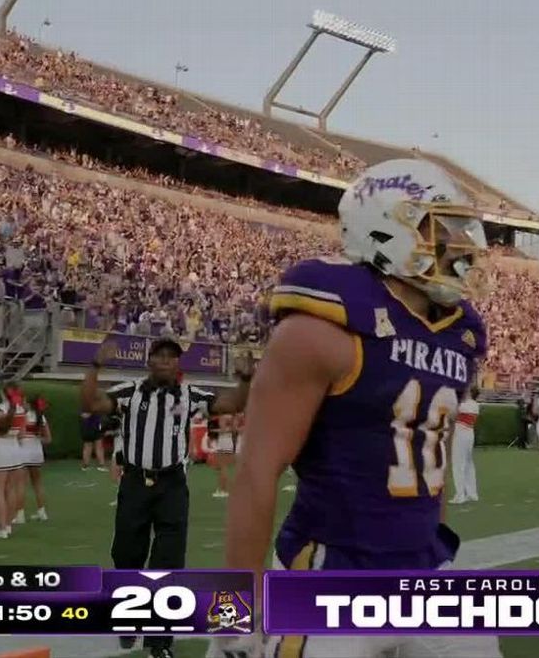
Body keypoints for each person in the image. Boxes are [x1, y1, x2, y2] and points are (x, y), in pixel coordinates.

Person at [211, 159, 500, 658]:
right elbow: (256, 470)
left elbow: (430, 460)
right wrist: (232, 615)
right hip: (331, 574)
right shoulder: (321, 328)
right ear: (385, 230)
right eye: (440, 230)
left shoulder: (458, 335)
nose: (459, 248)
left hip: (426, 569)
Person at [82, 337, 252, 658]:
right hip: (135, 482)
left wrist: (244, 379)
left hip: (172, 485)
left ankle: (159, 643)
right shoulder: (130, 392)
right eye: (159, 355)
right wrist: (95, 366)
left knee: (168, 563)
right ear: (149, 361)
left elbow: (231, 404)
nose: (164, 361)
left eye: (171, 356)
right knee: (127, 555)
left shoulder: (190, 395)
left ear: (178, 364)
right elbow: (91, 403)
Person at [0, 382, 29, 539]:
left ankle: (2, 528)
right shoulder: (22, 410)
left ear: (3, 393)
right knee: (10, 490)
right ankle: (7, 526)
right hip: (15, 450)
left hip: (1, 450)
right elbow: (22, 435)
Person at [16, 395, 51, 521]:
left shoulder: (22, 416)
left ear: (29, 404)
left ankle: (20, 515)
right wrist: (37, 438)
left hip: (23, 452)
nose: (23, 404)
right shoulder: (41, 417)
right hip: (36, 452)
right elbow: (48, 439)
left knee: (21, 484)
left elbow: (19, 435)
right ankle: (42, 512)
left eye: (25, 402)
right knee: (37, 484)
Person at [449, 386, 481, 504]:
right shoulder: (475, 405)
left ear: (470, 393)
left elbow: (452, 412)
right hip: (468, 435)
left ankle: (460, 495)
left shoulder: (466, 405)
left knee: (458, 464)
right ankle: (472, 494)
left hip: (461, 436)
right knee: (468, 464)